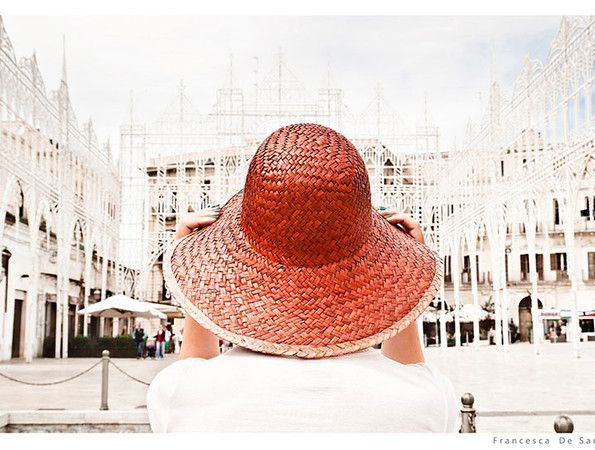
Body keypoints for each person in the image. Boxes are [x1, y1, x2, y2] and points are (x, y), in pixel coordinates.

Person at [147, 124, 458, 432]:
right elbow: (410, 375)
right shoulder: (427, 399)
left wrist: (198, 262)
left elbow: (194, 365)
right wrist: (401, 273)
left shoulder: (181, 394)